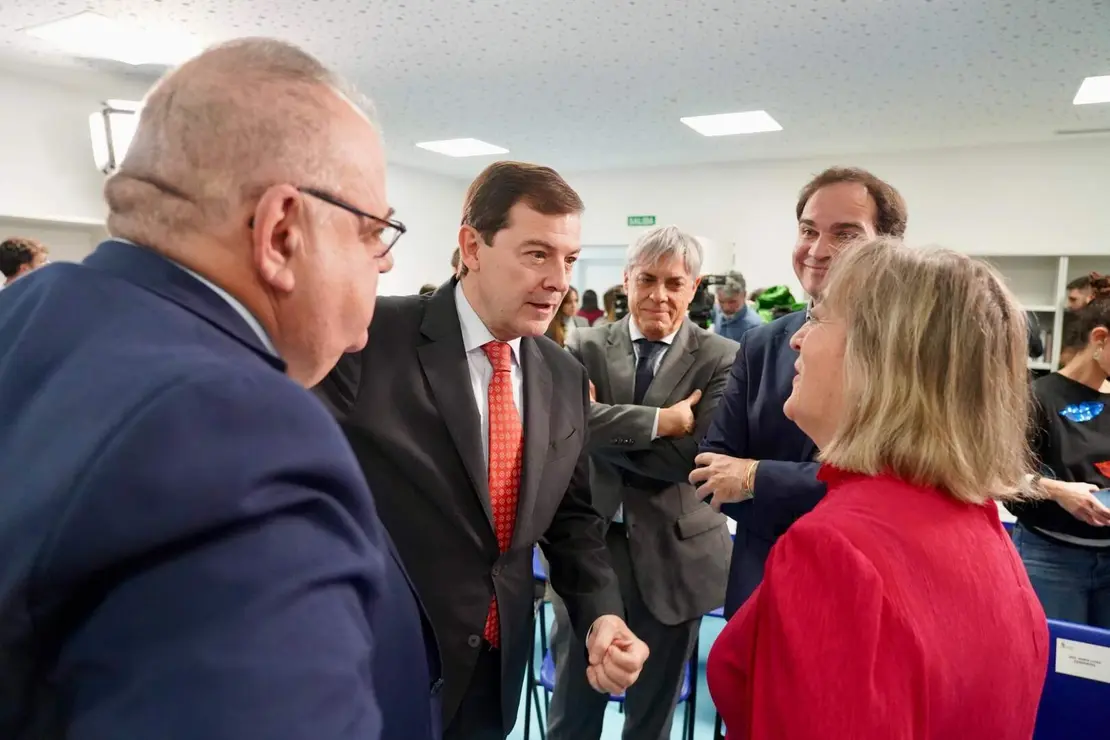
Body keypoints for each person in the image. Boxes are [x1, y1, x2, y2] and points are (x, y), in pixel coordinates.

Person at [0, 39, 439, 740]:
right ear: (281, 232)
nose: (381, 267)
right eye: (372, 233)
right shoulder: (237, 434)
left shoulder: (27, 319)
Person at [315, 160, 649, 740]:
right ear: (472, 245)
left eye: (568, 259)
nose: (559, 280)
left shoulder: (564, 375)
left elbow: (571, 522)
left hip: (498, 669)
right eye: (536, 254)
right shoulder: (370, 339)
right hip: (379, 663)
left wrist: (602, 615)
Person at [707, 238, 1048, 739]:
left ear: (879, 355)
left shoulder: (836, 549)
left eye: (819, 318)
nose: (797, 340)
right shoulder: (976, 522)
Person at [547, 225, 736, 740]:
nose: (658, 295)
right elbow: (563, 431)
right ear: (625, 280)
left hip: (677, 558)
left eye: (674, 283)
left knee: (651, 716)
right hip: (589, 547)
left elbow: (696, 461)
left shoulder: (721, 356)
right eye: (647, 279)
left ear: (693, 288)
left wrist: (600, 425)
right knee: (573, 704)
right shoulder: (583, 345)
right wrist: (662, 423)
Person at [693, 166, 908, 616]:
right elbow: (713, 471)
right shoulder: (763, 343)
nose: (818, 249)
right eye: (808, 230)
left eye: (845, 234)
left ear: (888, 247)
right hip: (761, 574)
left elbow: (899, 483)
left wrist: (756, 478)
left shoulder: (908, 351)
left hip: (866, 584)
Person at [1008, 274, 1110, 627]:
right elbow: (999, 476)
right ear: (1100, 339)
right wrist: (1058, 491)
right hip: (1050, 559)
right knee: (1052, 668)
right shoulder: (1037, 398)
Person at [712, 270, 763, 341]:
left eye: (732, 302)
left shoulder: (755, 327)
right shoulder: (716, 309)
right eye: (721, 301)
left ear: (744, 295)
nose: (726, 308)